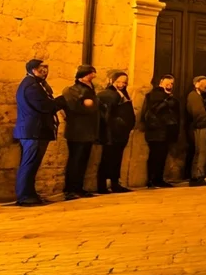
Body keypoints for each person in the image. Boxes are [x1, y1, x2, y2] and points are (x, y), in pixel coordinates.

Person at [14, 60, 60, 206]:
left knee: (32, 165)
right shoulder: (31, 86)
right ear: (33, 70)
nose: (45, 71)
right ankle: (24, 196)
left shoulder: (36, 84)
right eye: (41, 68)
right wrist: (61, 101)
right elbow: (43, 105)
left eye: (46, 68)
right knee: (28, 164)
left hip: (36, 130)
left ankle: (30, 193)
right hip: (32, 130)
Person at [61, 64, 100, 200]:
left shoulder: (90, 90)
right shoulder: (73, 90)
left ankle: (78, 187)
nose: (93, 77)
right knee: (75, 160)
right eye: (90, 74)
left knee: (83, 160)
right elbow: (74, 108)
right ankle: (70, 189)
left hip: (88, 130)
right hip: (77, 131)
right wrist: (87, 104)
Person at [96, 70, 135, 193]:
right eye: (119, 81)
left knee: (117, 159)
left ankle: (114, 183)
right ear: (113, 81)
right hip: (112, 133)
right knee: (107, 158)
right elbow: (107, 115)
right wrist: (118, 124)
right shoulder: (108, 94)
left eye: (124, 82)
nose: (122, 84)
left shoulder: (124, 93)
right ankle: (102, 185)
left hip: (121, 133)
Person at [141, 75, 180, 188]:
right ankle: (151, 180)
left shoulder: (172, 98)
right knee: (155, 156)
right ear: (161, 82)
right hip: (156, 131)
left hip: (167, 131)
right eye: (167, 83)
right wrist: (167, 103)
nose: (170, 85)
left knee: (162, 156)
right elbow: (152, 111)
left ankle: (159, 179)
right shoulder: (154, 95)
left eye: (172, 83)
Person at [187, 76, 206, 186]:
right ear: (197, 84)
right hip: (201, 126)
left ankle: (202, 174)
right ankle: (199, 175)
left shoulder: (205, 96)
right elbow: (198, 113)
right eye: (204, 86)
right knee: (202, 150)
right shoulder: (193, 96)